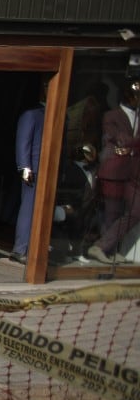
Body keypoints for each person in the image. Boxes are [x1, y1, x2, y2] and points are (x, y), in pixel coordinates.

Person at [86, 78, 140, 264]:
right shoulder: (111, 116)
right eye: (134, 95)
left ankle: (106, 246)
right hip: (115, 173)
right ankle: (103, 249)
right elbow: (121, 140)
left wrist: (130, 145)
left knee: (134, 212)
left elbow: (126, 143)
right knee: (112, 213)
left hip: (134, 175)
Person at [11, 87, 47, 263]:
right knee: (29, 207)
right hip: (34, 168)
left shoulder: (58, 115)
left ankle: (36, 246)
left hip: (50, 169)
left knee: (44, 209)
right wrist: (24, 166)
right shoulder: (32, 114)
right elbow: (23, 140)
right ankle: (20, 248)